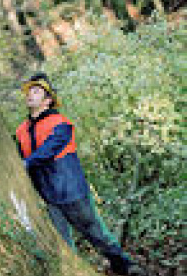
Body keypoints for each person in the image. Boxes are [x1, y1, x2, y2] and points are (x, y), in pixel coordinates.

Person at [16, 73, 145, 276]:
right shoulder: (21, 130)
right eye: (29, 91)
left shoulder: (60, 123)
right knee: (61, 246)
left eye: (36, 91)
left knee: (97, 235)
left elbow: (50, 149)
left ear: (48, 100)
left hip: (72, 193)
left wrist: (26, 163)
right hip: (47, 198)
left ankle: (126, 267)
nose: (30, 95)